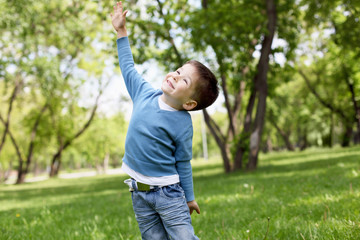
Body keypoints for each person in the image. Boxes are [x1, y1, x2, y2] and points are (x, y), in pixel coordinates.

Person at [111, 2, 219, 239]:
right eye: (178, 71)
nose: (175, 76)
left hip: (169, 193)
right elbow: (128, 67)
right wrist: (121, 32)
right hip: (139, 193)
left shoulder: (182, 123)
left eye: (184, 81)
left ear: (189, 103)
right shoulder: (143, 93)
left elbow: (183, 162)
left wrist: (189, 199)